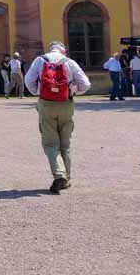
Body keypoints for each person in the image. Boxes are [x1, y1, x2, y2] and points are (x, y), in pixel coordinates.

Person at [24, 41, 91, 193]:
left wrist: (38, 92)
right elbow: (86, 84)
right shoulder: (69, 62)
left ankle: (59, 175)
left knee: (50, 144)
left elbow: (28, 81)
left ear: (50, 49)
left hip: (46, 104)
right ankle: (66, 179)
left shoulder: (40, 60)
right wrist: (73, 92)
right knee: (65, 145)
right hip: (66, 104)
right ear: (63, 51)